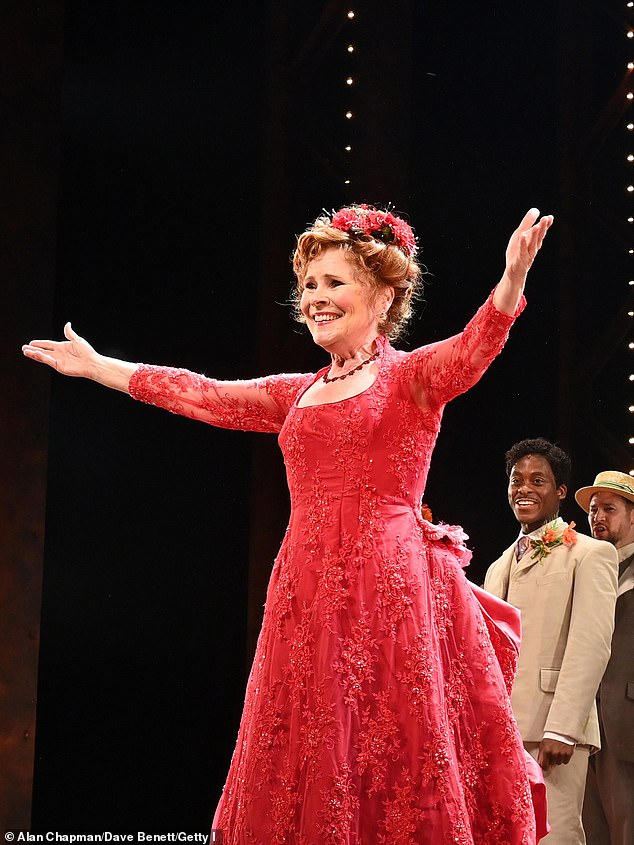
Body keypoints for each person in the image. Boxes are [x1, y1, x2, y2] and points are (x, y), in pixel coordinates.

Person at [24, 204, 553, 844]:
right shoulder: (296, 391)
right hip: (303, 585)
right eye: (309, 286)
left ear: (384, 297)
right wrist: (102, 368)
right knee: (308, 741)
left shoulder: (408, 379)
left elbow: (472, 351)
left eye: (335, 283)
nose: (316, 298)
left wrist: (511, 281)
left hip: (383, 588)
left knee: (384, 741)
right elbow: (205, 395)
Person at [484, 438, 619, 845]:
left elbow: (590, 644)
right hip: (500, 726)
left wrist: (563, 729)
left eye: (537, 480)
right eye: (517, 480)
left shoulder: (589, 554)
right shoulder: (497, 566)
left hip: (550, 731)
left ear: (560, 491)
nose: (524, 489)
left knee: (554, 835)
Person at [575, 471, 634, 845]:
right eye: (593, 510)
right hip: (584, 723)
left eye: (609, 509)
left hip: (625, 717)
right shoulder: (584, 568)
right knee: (590, 830)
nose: (598, 517)